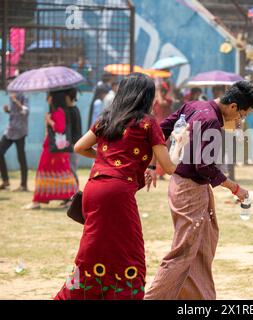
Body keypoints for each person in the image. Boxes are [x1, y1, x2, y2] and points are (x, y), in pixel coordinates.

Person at [55, 73, 187, 300]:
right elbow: (169, 166)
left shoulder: (107, 118)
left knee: (93, 250)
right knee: (130, 254)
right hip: (117, 194)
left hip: (93, 189)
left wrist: (106, 160)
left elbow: (79, 147)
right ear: (146, 96)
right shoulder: (147, 122)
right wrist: (181, 143)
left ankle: (76, 295)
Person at [145, 81, 253, 300]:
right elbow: (204, 167)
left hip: (191, 187)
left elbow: (160, 132)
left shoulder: (193, 106)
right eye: (241, 116)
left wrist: (152, 164)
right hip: (189, 190)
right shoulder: (210, 121)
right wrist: (236, 188)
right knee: (184, 251)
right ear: (233, 107)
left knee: (203, 244)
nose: (239, 121)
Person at [22, 91, 78, 210]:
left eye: (48, 95)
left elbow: (60, 128)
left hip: (54, 151)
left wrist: (49, 121)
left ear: (52, 98)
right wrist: (48, 120)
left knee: (48, 171)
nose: (47, 98)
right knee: (61, 173)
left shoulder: (58, 112)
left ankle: (38, 201)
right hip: (53, 149)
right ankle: (68, 197)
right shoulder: (56, 112)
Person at [0, 78, 29, 192]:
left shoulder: (23, 96)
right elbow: (15, 113)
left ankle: (23, 185)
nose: (9, 86)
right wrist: (8, 110)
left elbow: (25, 112)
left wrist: (15, 101)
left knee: (21, 158)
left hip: (20, 132)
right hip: (10, 131)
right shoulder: (11, 96)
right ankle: (5, 180)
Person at [64, 88, 82, 186]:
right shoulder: (75, 110)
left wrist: (71, 144)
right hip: (73, 144)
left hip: (72, 145)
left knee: (71, 169)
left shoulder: (71, 111)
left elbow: (74, 131)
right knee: (70, 168)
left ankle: (73, 194)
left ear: (68, 97)